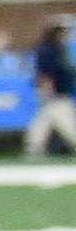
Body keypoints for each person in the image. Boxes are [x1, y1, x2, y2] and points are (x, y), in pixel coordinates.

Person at [25, 18, 76, 158]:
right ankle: (34, 147)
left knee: (43, 120)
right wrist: (48, 90)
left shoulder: (58, 48)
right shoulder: (50, 50)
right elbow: (46, 73)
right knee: (67, 121)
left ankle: (34, 148)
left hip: (58, 91)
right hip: (56, 92)